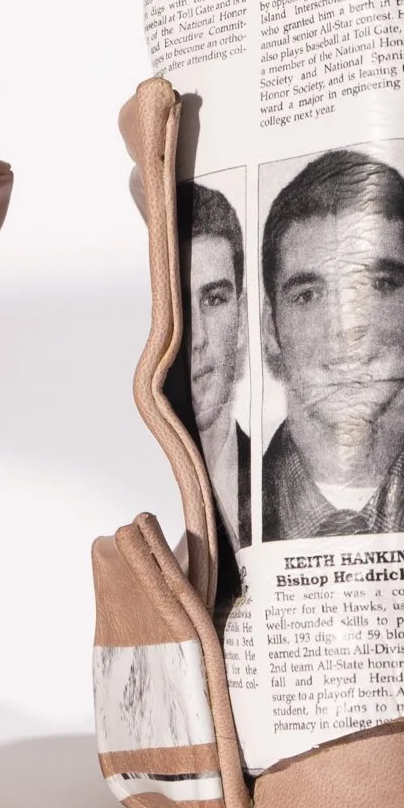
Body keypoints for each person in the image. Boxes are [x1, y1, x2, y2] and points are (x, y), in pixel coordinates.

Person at [259, 147, 404, 538]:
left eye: (379, 285)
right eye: (308, 295)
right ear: (270, 328)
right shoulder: (226, 505)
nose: (345, 329)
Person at [175, 178, 249, 551]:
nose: (198, 337)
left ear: (242, 319)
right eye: (181, 304)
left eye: (214, 299)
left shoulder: (285, 479)